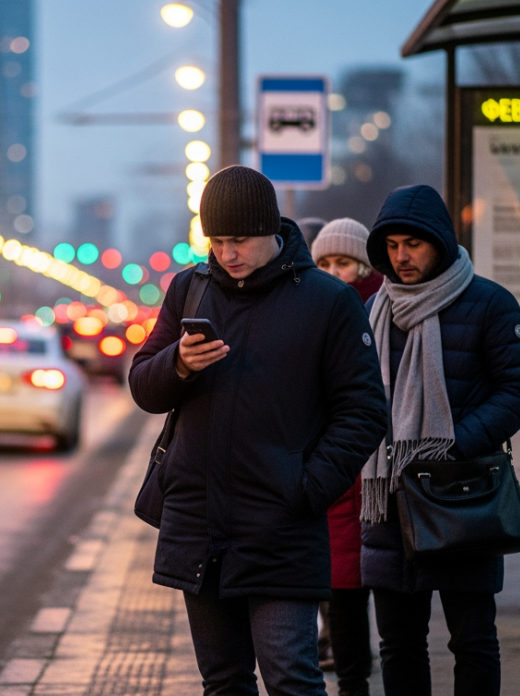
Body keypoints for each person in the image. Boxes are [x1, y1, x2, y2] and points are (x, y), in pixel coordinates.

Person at [129, 165, 389, 696]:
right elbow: (143, 387)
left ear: (272, 230)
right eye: (217, 241)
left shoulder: (327, 301)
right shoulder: (189, 290)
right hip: (198, 522)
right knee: (223, 681)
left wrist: (307, 487)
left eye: (240, 240)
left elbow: (364, 411)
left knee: (291, 677)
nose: (227, 253)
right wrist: (177, 364)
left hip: (281, 525)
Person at [359, 184, 520, 696]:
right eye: (391, 246)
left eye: (412, 244)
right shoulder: (374, 310)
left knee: (474, 640)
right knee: (398, 644)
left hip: (464, 497)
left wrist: (452, 447)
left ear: (438, 241)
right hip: (389, 499)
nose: (400, 257)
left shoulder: (487, 302)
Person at [310, 217, 383, 696]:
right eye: (326, 264)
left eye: (344, 262)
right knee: (341, 589)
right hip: (336, 473)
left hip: (377, 473)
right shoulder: (314, 311)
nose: (335, 272)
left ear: (362, 265)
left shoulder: (379, 309)